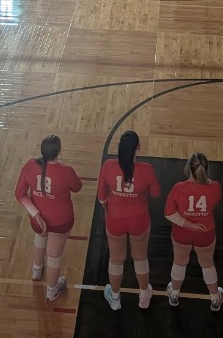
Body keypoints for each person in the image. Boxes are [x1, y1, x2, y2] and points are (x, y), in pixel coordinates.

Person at [96, 130, 160, 311]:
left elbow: (101, 197)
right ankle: (144, 296)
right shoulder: (146, 170)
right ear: (137, 147)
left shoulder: (108, 166)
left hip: (115, 219)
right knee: (140, 257)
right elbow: (155, 193)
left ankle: (115, 298)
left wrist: (109, 209)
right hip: (139, 220)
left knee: (116, 259)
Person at [14, 135, 83, 302]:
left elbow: (19, 194)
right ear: (59, 151)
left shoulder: (30, 165)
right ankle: (52, 290)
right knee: (54, 254)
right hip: (61, 221)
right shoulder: (66, 171)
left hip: (38, 221)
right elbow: (77, 187)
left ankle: (36, 271)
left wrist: (36, 214)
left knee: (40, 237)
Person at [164, 152, 223, 310]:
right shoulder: (215, 187)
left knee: (179, 262)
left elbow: (168, 213)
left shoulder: (179, 188)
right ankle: (215, 298)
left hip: (182, 233)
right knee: (207, 264)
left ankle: (174, 294)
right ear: (206, 169)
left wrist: (188, 224)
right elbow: (214, 198)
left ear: (188, 169)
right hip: (205, 233)